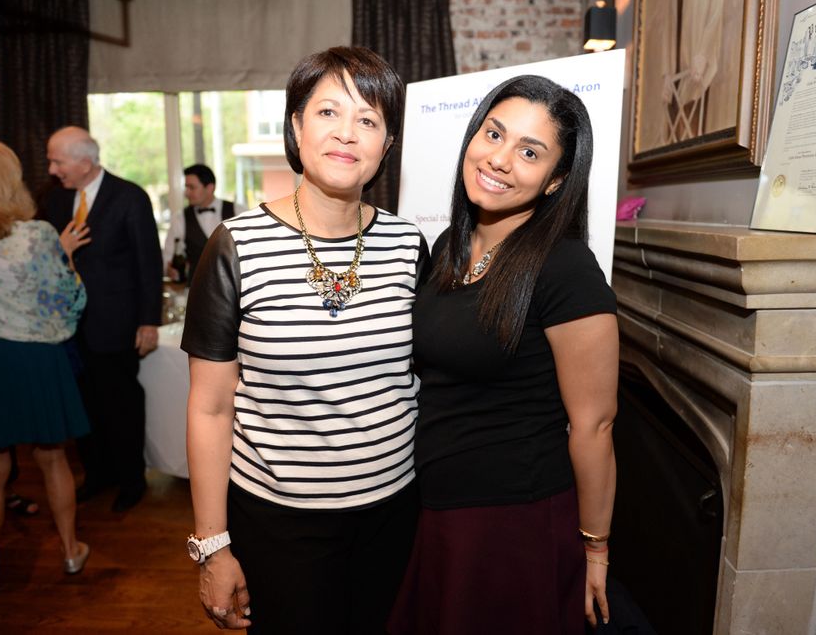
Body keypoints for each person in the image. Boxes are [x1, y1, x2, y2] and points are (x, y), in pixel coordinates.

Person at [182, 46, 427, 634]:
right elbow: (210, 408)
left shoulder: (408, 244)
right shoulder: (234, 246)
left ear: (387, 144)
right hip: (279, 523)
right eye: (328, 112)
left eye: (368, 119)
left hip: (395, 513)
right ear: (296, 126)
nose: (347, 133)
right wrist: (213, 547)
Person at [389, 75, 620, 634]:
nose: (500, 159)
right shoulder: (449, 246)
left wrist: (595, 548)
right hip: (439, 506)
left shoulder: (566, 267)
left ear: (555, 180)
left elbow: (594, 424)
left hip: (512, 521)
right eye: (494, 134)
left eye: (530, 152)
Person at [0, 142, 91, 594]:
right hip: (38, 358)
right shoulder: (38, 235)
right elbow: (68, 302)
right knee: (53, 459)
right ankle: (71, 551)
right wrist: (68, 260)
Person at [44, 126, 163, 513]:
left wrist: (149, 322)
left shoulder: (129, 197)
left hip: (116, 325)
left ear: (84, 162)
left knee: (121, 406)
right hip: (69, 327)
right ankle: (98, 474)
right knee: (85, 407)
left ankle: (131, 480)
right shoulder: (55, 200)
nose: (52, 170)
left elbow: (149, 263)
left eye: (57, 162)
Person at [162, 164, 244, 284]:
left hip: (235, 287)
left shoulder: (238, 211)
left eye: (191, 187)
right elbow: (168, 256)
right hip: (195, 288)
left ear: (210, 188)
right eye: (186, 187)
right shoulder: (180, 218)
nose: (186, 193)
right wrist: (169, 269)